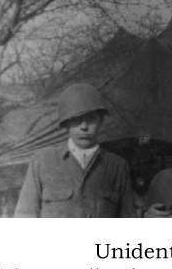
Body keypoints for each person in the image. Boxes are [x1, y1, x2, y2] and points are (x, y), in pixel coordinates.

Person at [14, 83, 135, 218]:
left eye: (91, 119)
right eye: (76, 120)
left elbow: (129, 220)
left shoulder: (117, 167)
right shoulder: (43, 162)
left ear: (101, 121)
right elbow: (24, 217)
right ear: (66, 124)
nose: (84, 127)